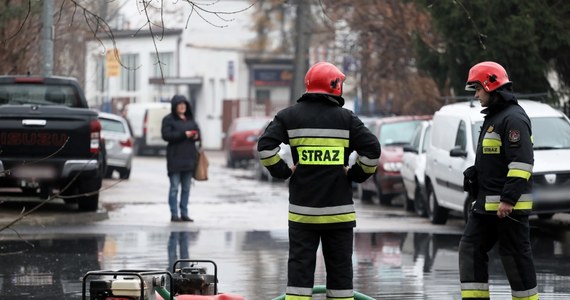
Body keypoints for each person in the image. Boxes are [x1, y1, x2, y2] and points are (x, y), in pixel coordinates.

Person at [257, 62, 380, 299]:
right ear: (335, 86)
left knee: (299, 280)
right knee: (341, 279)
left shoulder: (288, 116)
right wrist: (355, 174)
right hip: (339, 214)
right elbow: (372, 150)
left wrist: (284, 172)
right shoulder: (347, 119)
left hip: (303, 214)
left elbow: (265, 148)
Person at [459, 61, 539, 300]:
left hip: (508, 208)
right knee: (470, 249)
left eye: (478, 89)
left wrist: (508, 199)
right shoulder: (494, 117)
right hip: (486, 207)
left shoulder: (514, 119)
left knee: (515, 258)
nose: (476, 95)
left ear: (490, 85)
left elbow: (522, 163)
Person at [161, 95, 201, 222]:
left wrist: (196, 136)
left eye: (184, 104)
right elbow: (166, 136)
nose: (183, 106)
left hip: (189, 159)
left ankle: (184, 213)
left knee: (186, 188)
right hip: (175, 159)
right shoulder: (168, 120)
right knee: (174, 187)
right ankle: (174, 214)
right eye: (180, 104)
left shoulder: (191, 120)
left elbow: (199, 135)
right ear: (175, 106)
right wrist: (184, 135)